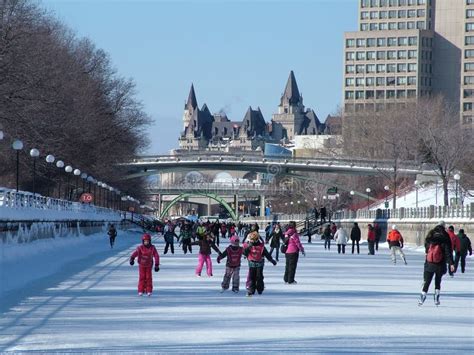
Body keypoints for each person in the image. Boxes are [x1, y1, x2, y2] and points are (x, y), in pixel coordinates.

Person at [419, 221, 454, 306]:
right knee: (438, 281)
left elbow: (426, 246)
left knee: (427, 281)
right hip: (440, 262)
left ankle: (423, 296)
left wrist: (428, 252)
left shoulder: (431, 234)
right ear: (444, 226)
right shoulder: (445, 236)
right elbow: (448, 251)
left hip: (430, 261)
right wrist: (451, 263)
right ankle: (436, 297)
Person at [243, 231, 277, 296]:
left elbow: (267, 254)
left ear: (256, 240)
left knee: (259, 276)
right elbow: (244, 253)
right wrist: (248, 247)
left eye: (252, 240)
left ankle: (260, 288)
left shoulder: (261, 247)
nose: (251, 241)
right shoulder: (249, 245)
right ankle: (251, 289)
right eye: (250, 240)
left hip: (259, 263)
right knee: (251, 277)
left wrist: (272, 261)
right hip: (251, 263)